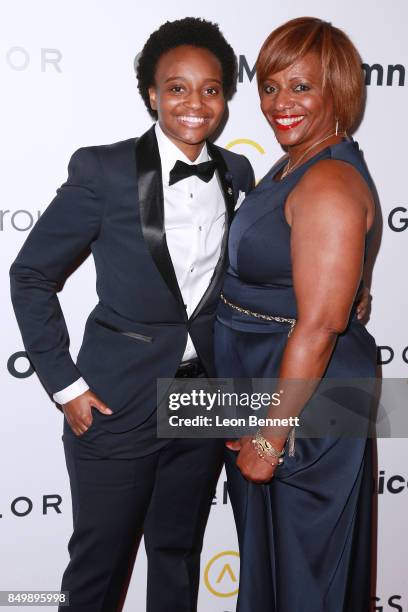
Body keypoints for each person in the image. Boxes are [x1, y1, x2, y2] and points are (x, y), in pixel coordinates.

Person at [9, 17, 255, 612]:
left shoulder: (237, 174)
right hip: (116, 395)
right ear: (151, 93)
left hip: (203, 397)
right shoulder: (104, 171)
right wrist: (65, 385)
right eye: (177, 87)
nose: (195, 103)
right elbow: (31, 275)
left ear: (224, 96)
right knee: (100, 564)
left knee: (176, 555)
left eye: (210, 88)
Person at [215, 17, 377, 612]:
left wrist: (271, 433)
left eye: (301, 88)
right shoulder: (294, 164)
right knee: (271, 564)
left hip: (305, 404)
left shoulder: (329, 178)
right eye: (270, 86)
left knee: (306, 578)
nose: (280, 104)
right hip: (268, 382)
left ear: (338, 90)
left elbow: (321, 325)